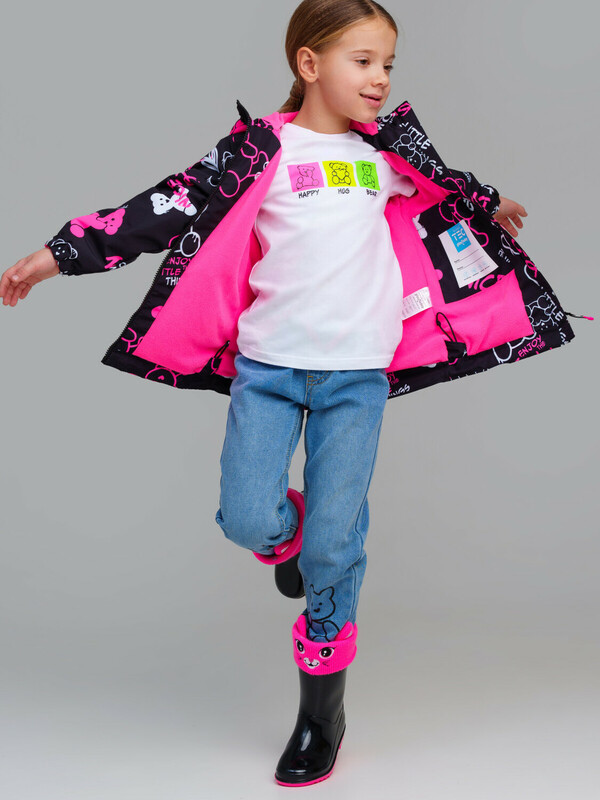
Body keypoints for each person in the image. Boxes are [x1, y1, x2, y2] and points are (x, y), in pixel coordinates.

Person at [1, 0, 575, 788]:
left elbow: (445, 186)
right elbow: (160, 208)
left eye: (387, 64)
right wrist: (56, 255)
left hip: (358, 377)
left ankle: (321, 715)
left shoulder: (385, 154)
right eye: (362, 61)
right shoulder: (261, 149)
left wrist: (488, 202)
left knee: (337, 548)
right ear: (309, 64)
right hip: (268, 371)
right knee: (246, 515)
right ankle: (287, 535)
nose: (380, 79)